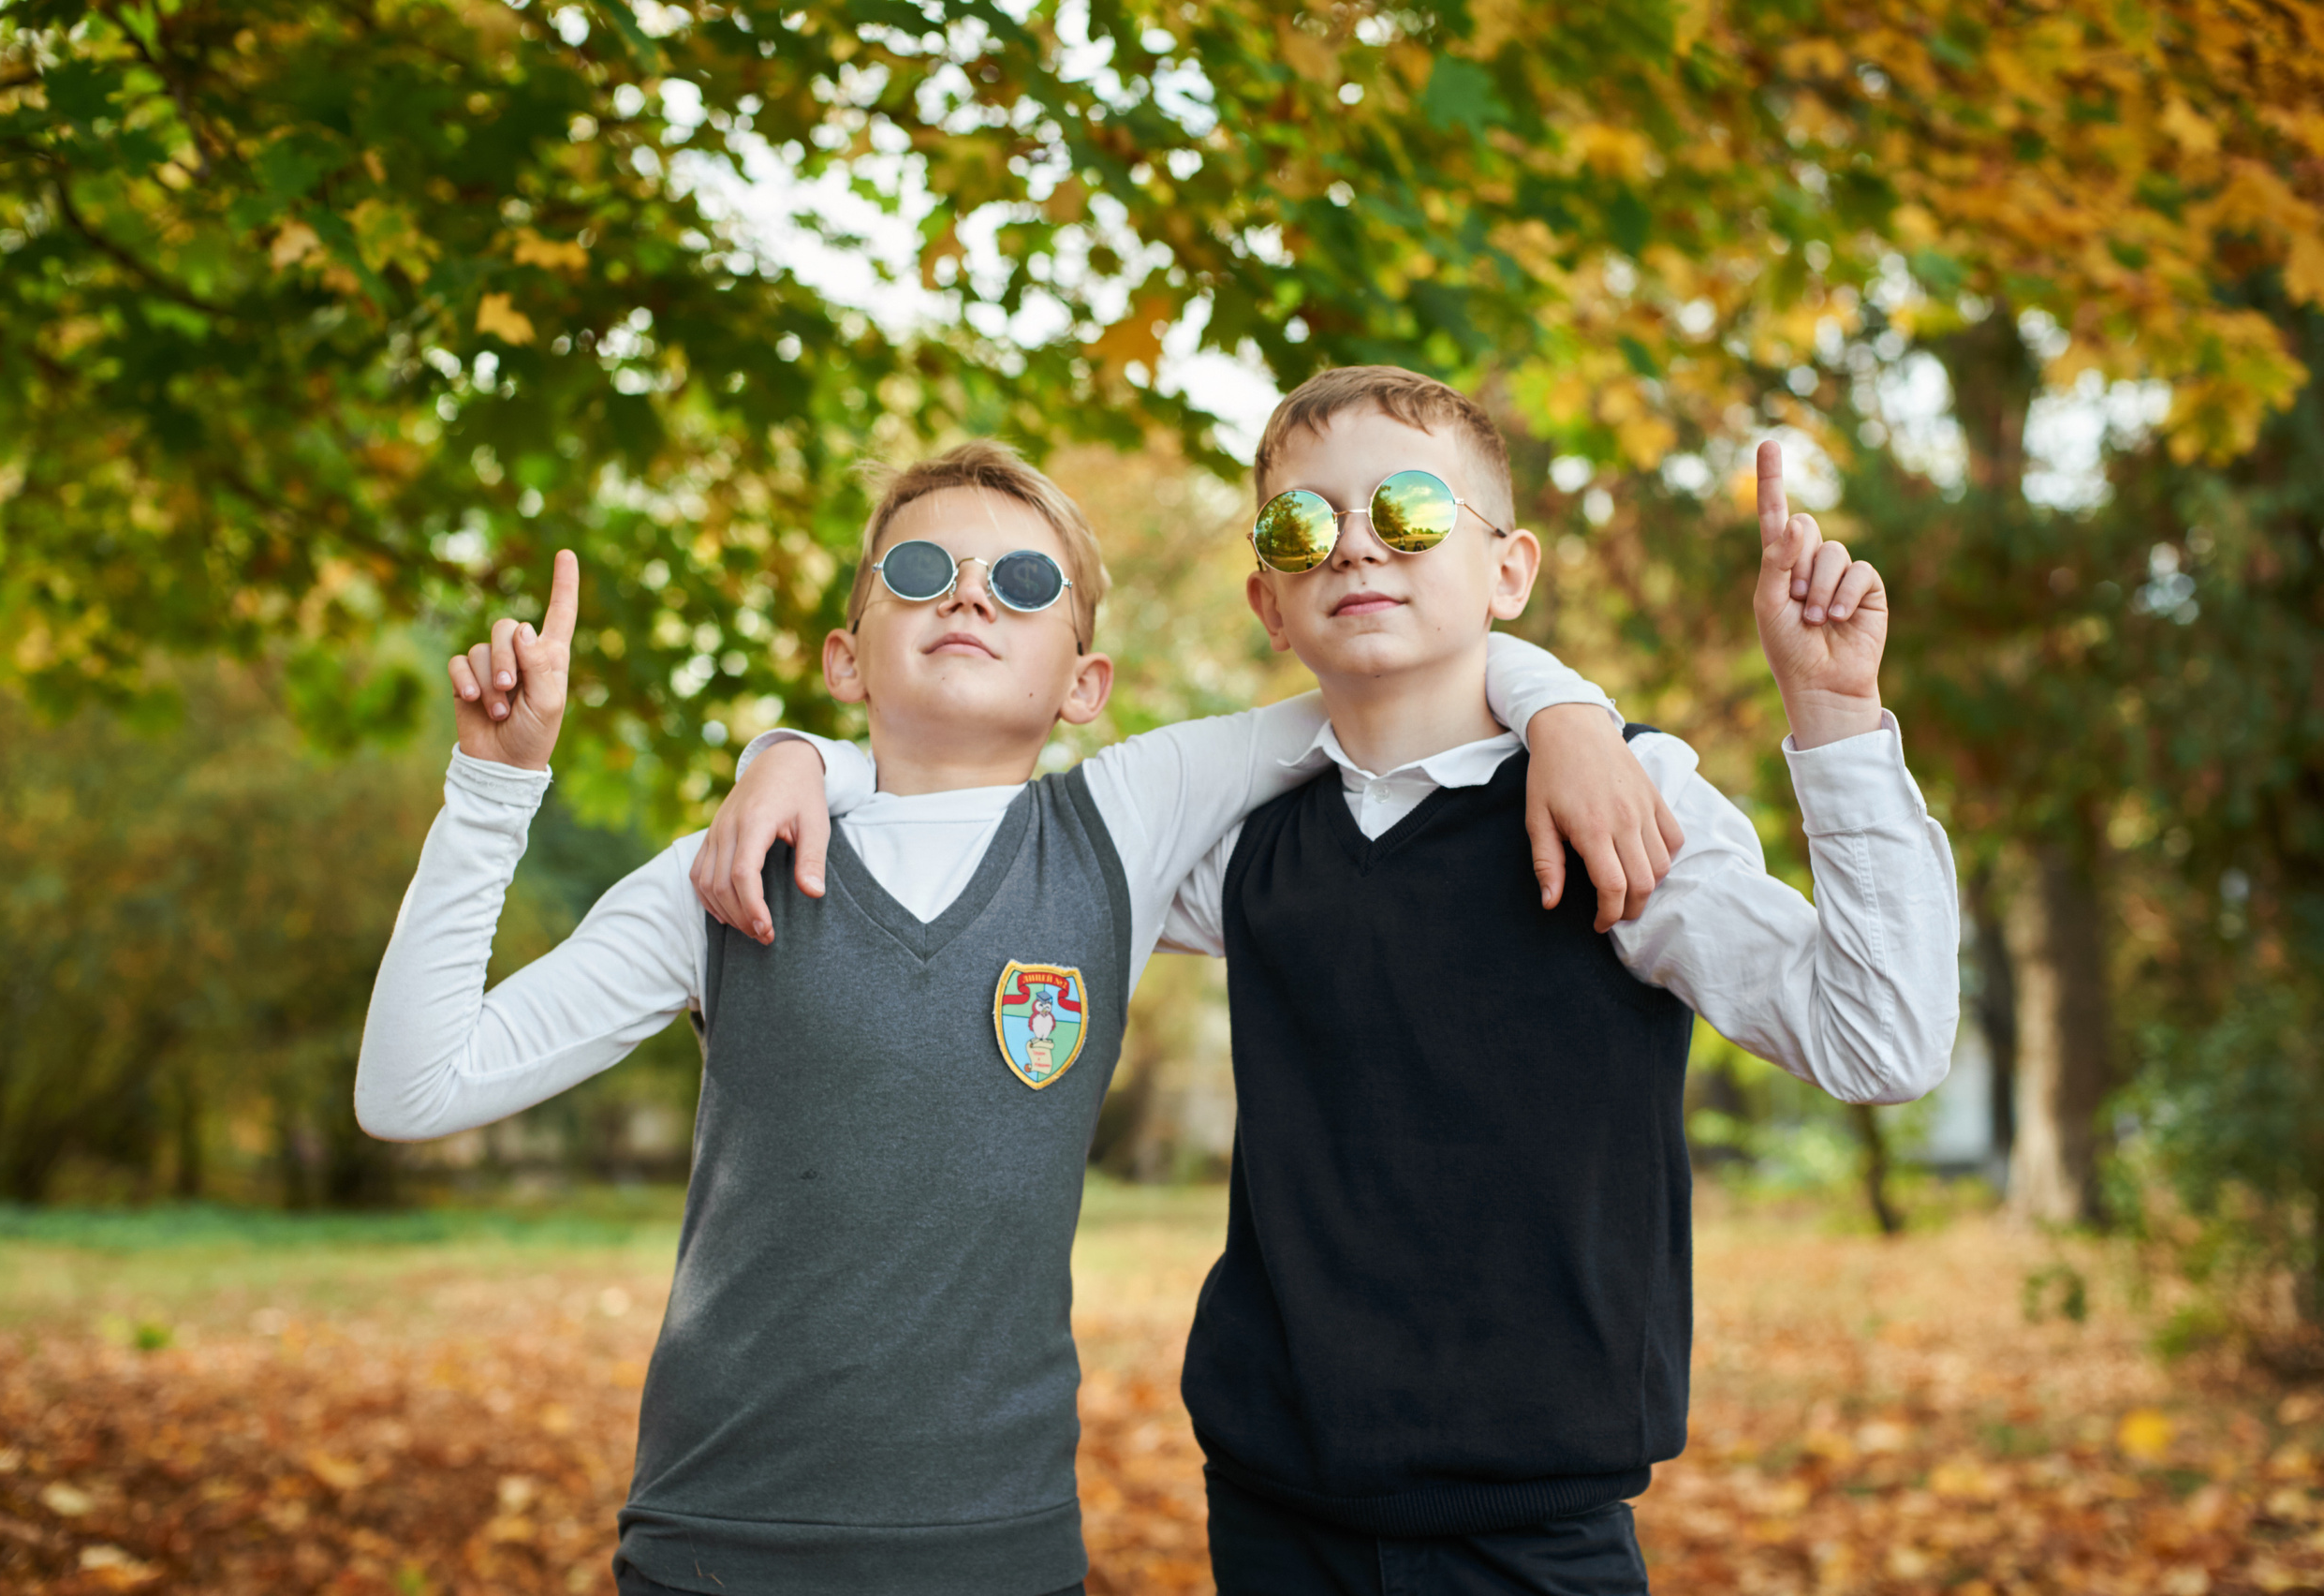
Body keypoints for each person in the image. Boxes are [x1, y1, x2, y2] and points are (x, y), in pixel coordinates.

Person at [355, 438, 1678, 1596]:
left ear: (1084, 685)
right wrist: (496, 787)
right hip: (719, 1539)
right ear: (845, 656)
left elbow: (1395, 674)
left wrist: (1566, 711)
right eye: (920, 575)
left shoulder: (1119, 825)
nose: (973, 595)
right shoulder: (725, 872)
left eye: (1026, 583)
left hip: (1000, 1550)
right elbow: (412, 1091)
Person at [732, 370, 1962, 1595]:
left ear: (1510, 570)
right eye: (1303, 524)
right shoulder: (1237, 848)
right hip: (1274, 1514)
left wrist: (1833, 709)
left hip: (1533, 1529)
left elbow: (1881, 1044)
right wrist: (802, 758)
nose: (1359, 545)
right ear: (1270, 601)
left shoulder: (1619, 810)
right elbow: (971, 810)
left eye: (1412, 511)